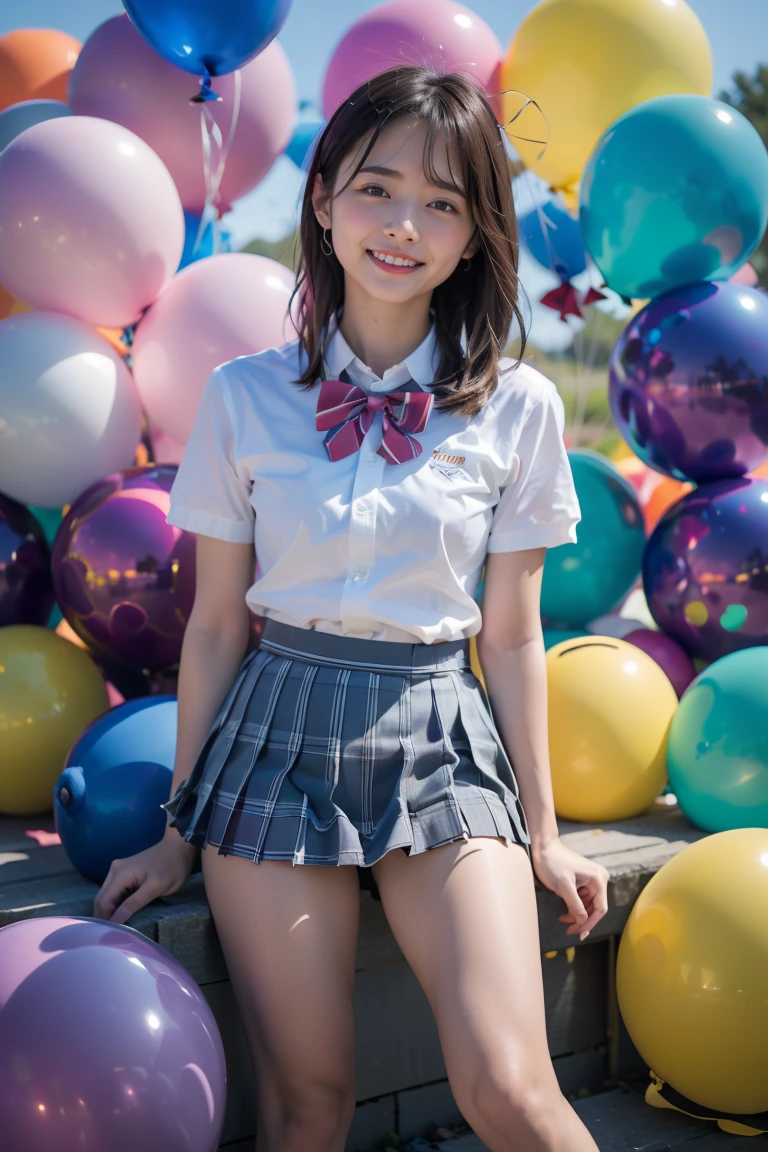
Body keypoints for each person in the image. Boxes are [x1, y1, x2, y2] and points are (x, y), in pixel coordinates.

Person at [94, 66, 609, 1152]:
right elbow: (219, 626)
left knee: (513, 1089)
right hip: (274, 739)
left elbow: (511, 633)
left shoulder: (520, 405)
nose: (404, 226)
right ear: (321, 198)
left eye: (443, 203)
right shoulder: (242, 396)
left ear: (475, 236)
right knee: (307, 1105)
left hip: (443, 740)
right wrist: (179, 834)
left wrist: (546, 835)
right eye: (378, 189)